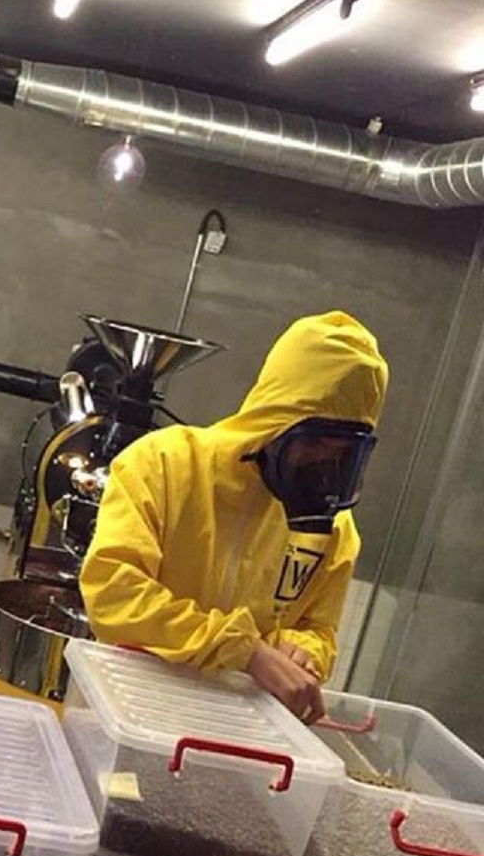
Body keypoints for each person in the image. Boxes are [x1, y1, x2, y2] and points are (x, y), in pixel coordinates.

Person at [79, 310, 388, 724]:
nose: (324, 463)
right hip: (133, 707)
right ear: (276, 419)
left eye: (343, 452)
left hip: (239, 724)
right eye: (317, 441)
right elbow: (113, 592)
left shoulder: (335, 530)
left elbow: (319, 629)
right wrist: (246, 651)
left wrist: (302, 652)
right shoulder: (164, 464)